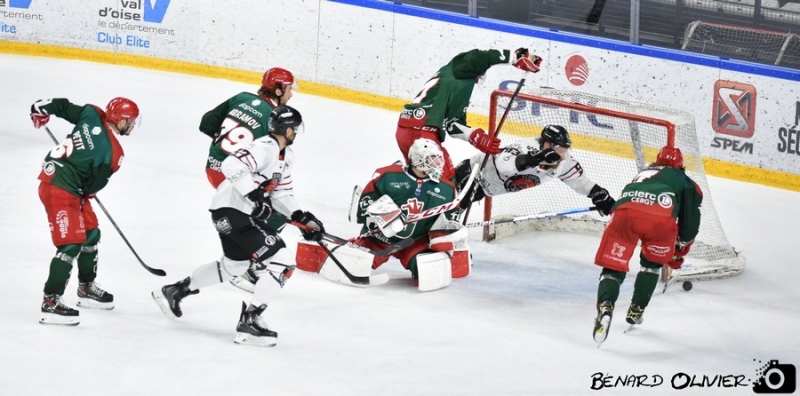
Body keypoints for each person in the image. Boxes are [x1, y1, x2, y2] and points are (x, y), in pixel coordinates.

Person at [152, 105, 325, 347]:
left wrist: (301, 217)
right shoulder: (264, 148)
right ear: (287, 130)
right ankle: (251, 320)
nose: (296, 132)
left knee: (235, 266)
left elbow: (282, 192)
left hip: (229, 214)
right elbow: (231, 165)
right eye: (294, 128)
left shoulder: (287, 156)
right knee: (283, 261)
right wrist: (254, 195)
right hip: (233, 212)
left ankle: (175, 290)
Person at [296, 138, 470, 292]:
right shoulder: (388, 175)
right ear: (418, 160)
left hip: (415, 241)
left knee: (432, 273)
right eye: (432, 159)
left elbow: (449, 220)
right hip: (379, 239)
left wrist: (444, 237)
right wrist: (384, 217)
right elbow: (363, 205)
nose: (438, 164)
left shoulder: (447, 189)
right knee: (351, 266)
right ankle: (332, 249)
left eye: (438, 159)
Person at [31, 97, 141, 326]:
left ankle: (86, 287)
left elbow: (60, 106)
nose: (131, 126)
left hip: (66, 184)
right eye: (129, 121)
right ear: (120, 121)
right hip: (60, 189)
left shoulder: (92, 114)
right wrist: (86, 188)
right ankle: (50, 303)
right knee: (70, 245)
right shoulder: (113, 153)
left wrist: (39, 109)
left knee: (91, 234)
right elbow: (94, 187)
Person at [592, 146, 703, 346]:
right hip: (659, 222)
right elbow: (690, 224)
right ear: (681, 166)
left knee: (613, 268)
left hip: (624, 214)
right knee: (651, 266)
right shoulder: (686, 182)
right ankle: (636, 310)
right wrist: (680, 248)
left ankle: (606, 306)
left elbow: (633, 196)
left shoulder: (643, 173)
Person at [198, 67, 296, 291]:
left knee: (253, 211)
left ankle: (242, 259)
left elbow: (206, 124)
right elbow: (272, 155)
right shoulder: (274, 120)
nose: (291, 95)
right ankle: (251, 267)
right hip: (234, 174)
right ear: (279, 89)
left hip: (213, 168)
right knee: (268, 212)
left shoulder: (241, 98)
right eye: (289, 89)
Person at [396, 48, 543, 183]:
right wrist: (516, 57)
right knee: (445, 183)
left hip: (415, 129)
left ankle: (400, 198)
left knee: (423, 178)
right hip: (421, 130)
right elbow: (479, 57)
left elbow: (452, 125)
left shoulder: (461, 87)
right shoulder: (458, 69)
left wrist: (477, 137)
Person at [454, 124, 616, 215]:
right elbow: (504, 166)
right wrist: (534, 159)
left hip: (485, 189)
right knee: (444, 212)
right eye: (558, 148)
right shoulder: (525, 147)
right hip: (471, 175)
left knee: (449, 217)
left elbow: (582, 184)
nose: (561, 154)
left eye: (564, 149)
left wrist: (599, 195)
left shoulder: (565, 162)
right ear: (546, 143)